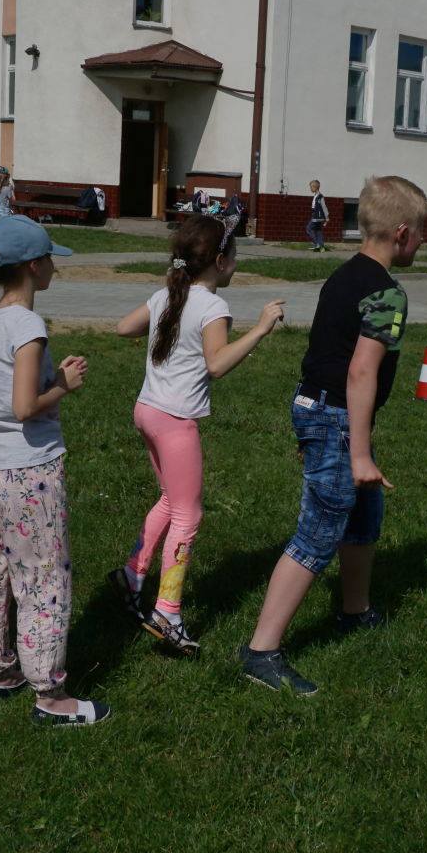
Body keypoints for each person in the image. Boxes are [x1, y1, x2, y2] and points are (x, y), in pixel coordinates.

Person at [239, 176, 427, 696]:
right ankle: (261, 651)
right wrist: (359, 452)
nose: (422, 241)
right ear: (403, 233)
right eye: (421, 232)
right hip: (335, 416)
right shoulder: (387, 293)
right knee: (320, 530)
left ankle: (354, 611)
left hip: (320, 408)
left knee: (363, 515)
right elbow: (361, 372)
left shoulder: (343, 274)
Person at [111, 215, 285, 654]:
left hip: (146, 410)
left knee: (170, 500)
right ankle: (167, 611)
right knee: (188, 516)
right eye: (235, 257)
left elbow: (123, 327)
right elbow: (217, 364)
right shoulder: (212, 307)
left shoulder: (168, 294)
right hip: (175, 421)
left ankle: (132, 574)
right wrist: (260, 329)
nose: (237, 265)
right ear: (220, 262)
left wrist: (164, 317)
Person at [0, 214, 109, 726]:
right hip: (30, 473)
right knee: (43, 576)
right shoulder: (27, 325)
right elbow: (25, 406)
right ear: (32, 266)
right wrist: (64, 383)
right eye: (49, 259)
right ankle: (50, 694)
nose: (54, 267)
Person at [306, 180, 329, 252]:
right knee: (318, 230)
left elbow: (324, 206)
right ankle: (321, 247)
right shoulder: (316, 196)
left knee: (309, 228)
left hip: (317, 216)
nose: (310, 189)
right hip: (316, 216)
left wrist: (327, 217)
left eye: (311, 187)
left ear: (315, 187)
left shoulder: (320, 196)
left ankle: (317, 244)